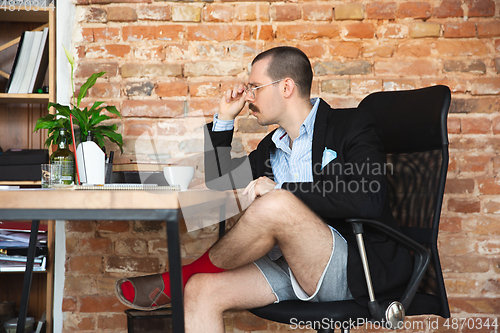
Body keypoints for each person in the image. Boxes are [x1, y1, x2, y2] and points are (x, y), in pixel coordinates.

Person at [115, 46, 412, 332]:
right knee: (200, 291)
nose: (248, 96)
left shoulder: (351, 124)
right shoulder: (272, 147)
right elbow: (221, 182)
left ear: (286, 87)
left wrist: (282, 191)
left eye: (254, 86)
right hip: (289, 265)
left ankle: (178, 277)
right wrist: (224, 119)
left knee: (276, 203)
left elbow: (368, 199)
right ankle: (187, 281)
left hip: (352, 269)